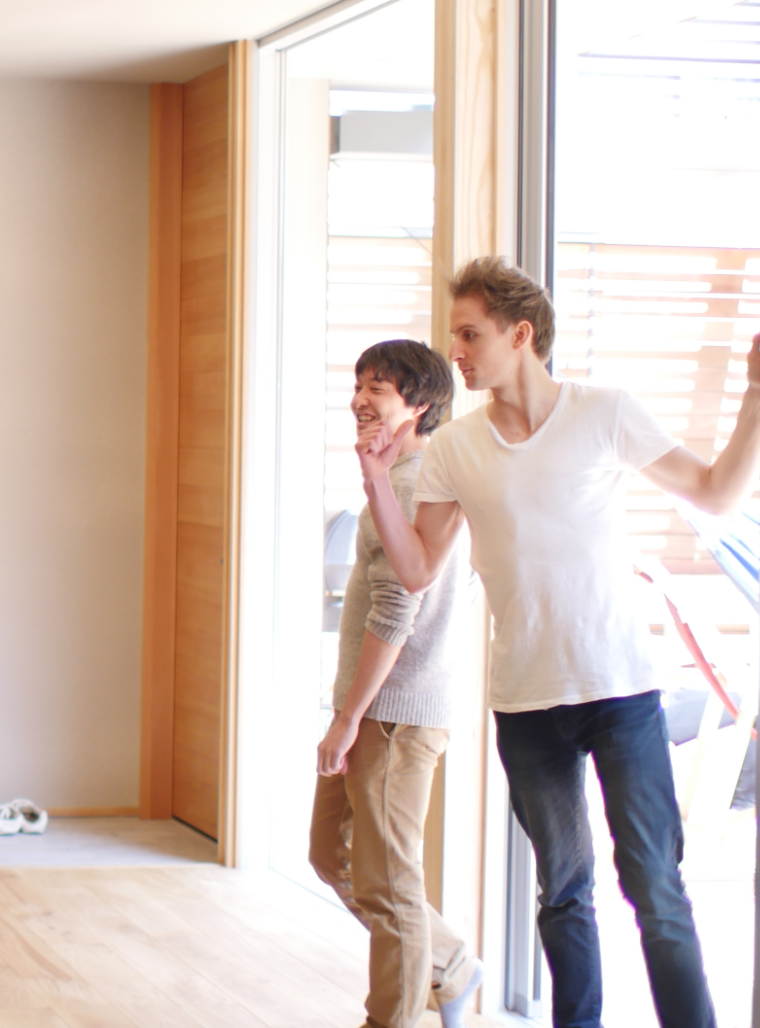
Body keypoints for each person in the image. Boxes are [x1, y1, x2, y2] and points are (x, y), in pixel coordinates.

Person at [360, 257, 760, 1028]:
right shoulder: (455, 448)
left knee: (655, 887)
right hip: (527, 705)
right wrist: (378, 479)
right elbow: (415, 570)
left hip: (621, 694)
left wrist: (755, 397)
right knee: (564, 892)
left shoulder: (604, 412)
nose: (457, 352)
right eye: (455, 336)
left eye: (471, 335)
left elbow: (715, 492)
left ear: (521, 335)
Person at [307, 340, 479, 1028]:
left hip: (394, 715)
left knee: (390, 884)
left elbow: (396, 611)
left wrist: (348, 718)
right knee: (331, 854)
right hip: (370, 708)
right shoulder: (395, 476)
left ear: (420, 404)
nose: (359, 399)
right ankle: (449, 963)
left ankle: (393, 1018)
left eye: (377, 387)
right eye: (358, 384)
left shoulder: (415, 485)